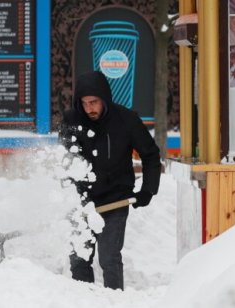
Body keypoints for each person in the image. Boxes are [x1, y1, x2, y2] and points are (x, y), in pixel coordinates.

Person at [59, 71, 161, 290]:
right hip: (81, 201)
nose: (89, 109)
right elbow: (65, 158)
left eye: (94, 102)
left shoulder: (126, 120)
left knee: (109, 259)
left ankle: (115, 302)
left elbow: (150, 154)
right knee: (79, 259)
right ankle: (84, 303)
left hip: (115, 199)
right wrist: (67, 193)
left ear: (104, 98)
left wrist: (148, 190)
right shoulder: (71, 120)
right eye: (84, 103)